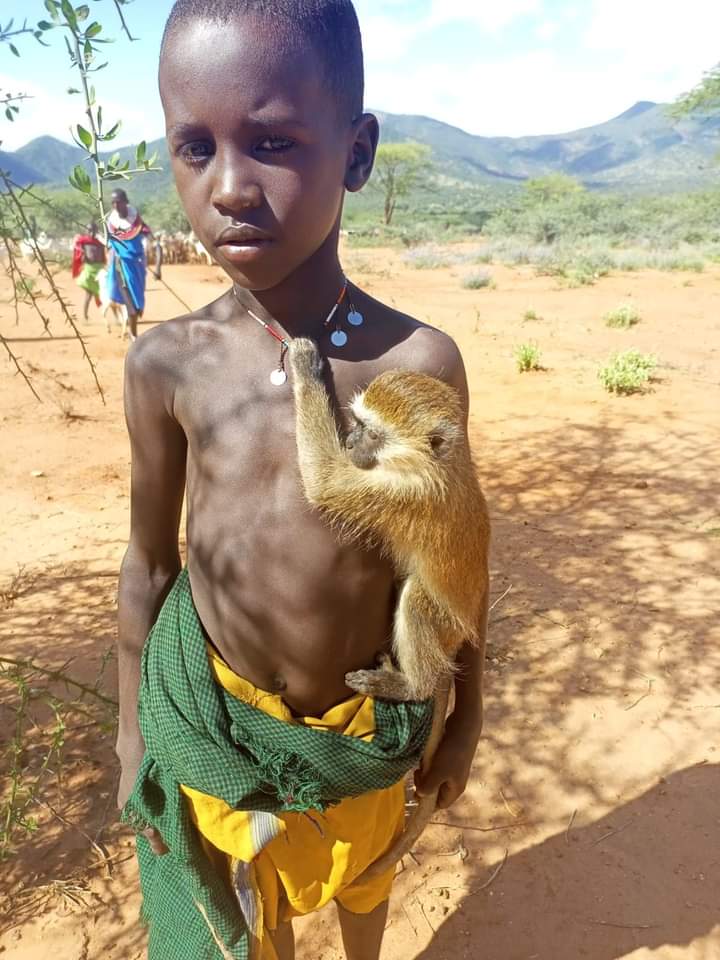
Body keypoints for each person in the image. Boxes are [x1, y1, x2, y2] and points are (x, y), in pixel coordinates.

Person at [117, 2, 487, 959]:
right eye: (195, 148)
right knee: (256, 926)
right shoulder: (168, 364)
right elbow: (150, 564)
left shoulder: (417, 366)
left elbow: (453, 562)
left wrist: (467, 714)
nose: (229, 187)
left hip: (369, 734)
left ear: (356, 154)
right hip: (225, 740)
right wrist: (133, 735)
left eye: (273, 142)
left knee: (367, 889)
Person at [106, 188, 152, 341]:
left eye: (118, 202)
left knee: (137, 306)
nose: (115, 205)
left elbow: (150, 237)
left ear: (126, 202)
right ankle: (134, 337)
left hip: (137, 266)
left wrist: (157, 266)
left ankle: (132, 332)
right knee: (131, 306)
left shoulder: (136, 222)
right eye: (113, 203)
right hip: (120, 265)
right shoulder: (111, 224)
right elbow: (110, 245)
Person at [71, 222, 106, 321]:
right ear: (86, 230)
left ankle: (109, 316)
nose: (92, 232)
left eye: (94, 230)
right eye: (90, 230)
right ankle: (85, 316)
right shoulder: (83, 242)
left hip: (99, 270)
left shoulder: (100, 243)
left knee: (104, 293)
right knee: (88, 294)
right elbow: (78, 252)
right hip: (89, 270)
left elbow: (104, 255)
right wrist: (82, 255)